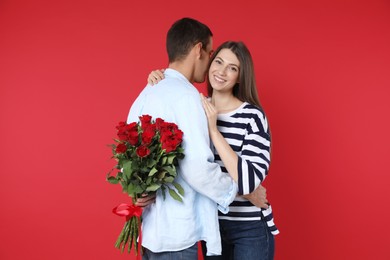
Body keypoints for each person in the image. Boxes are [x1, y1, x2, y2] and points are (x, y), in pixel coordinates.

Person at [127, 17, 268, 260]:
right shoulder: (190, 99)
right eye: (214, 55)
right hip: (180, 233)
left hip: (154, 232)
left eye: (232, 67)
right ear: (198, 50)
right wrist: (244, 192)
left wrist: (138, 189)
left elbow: (128, 154)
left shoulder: (147, 92)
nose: (216, 67)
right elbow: (197, 169)